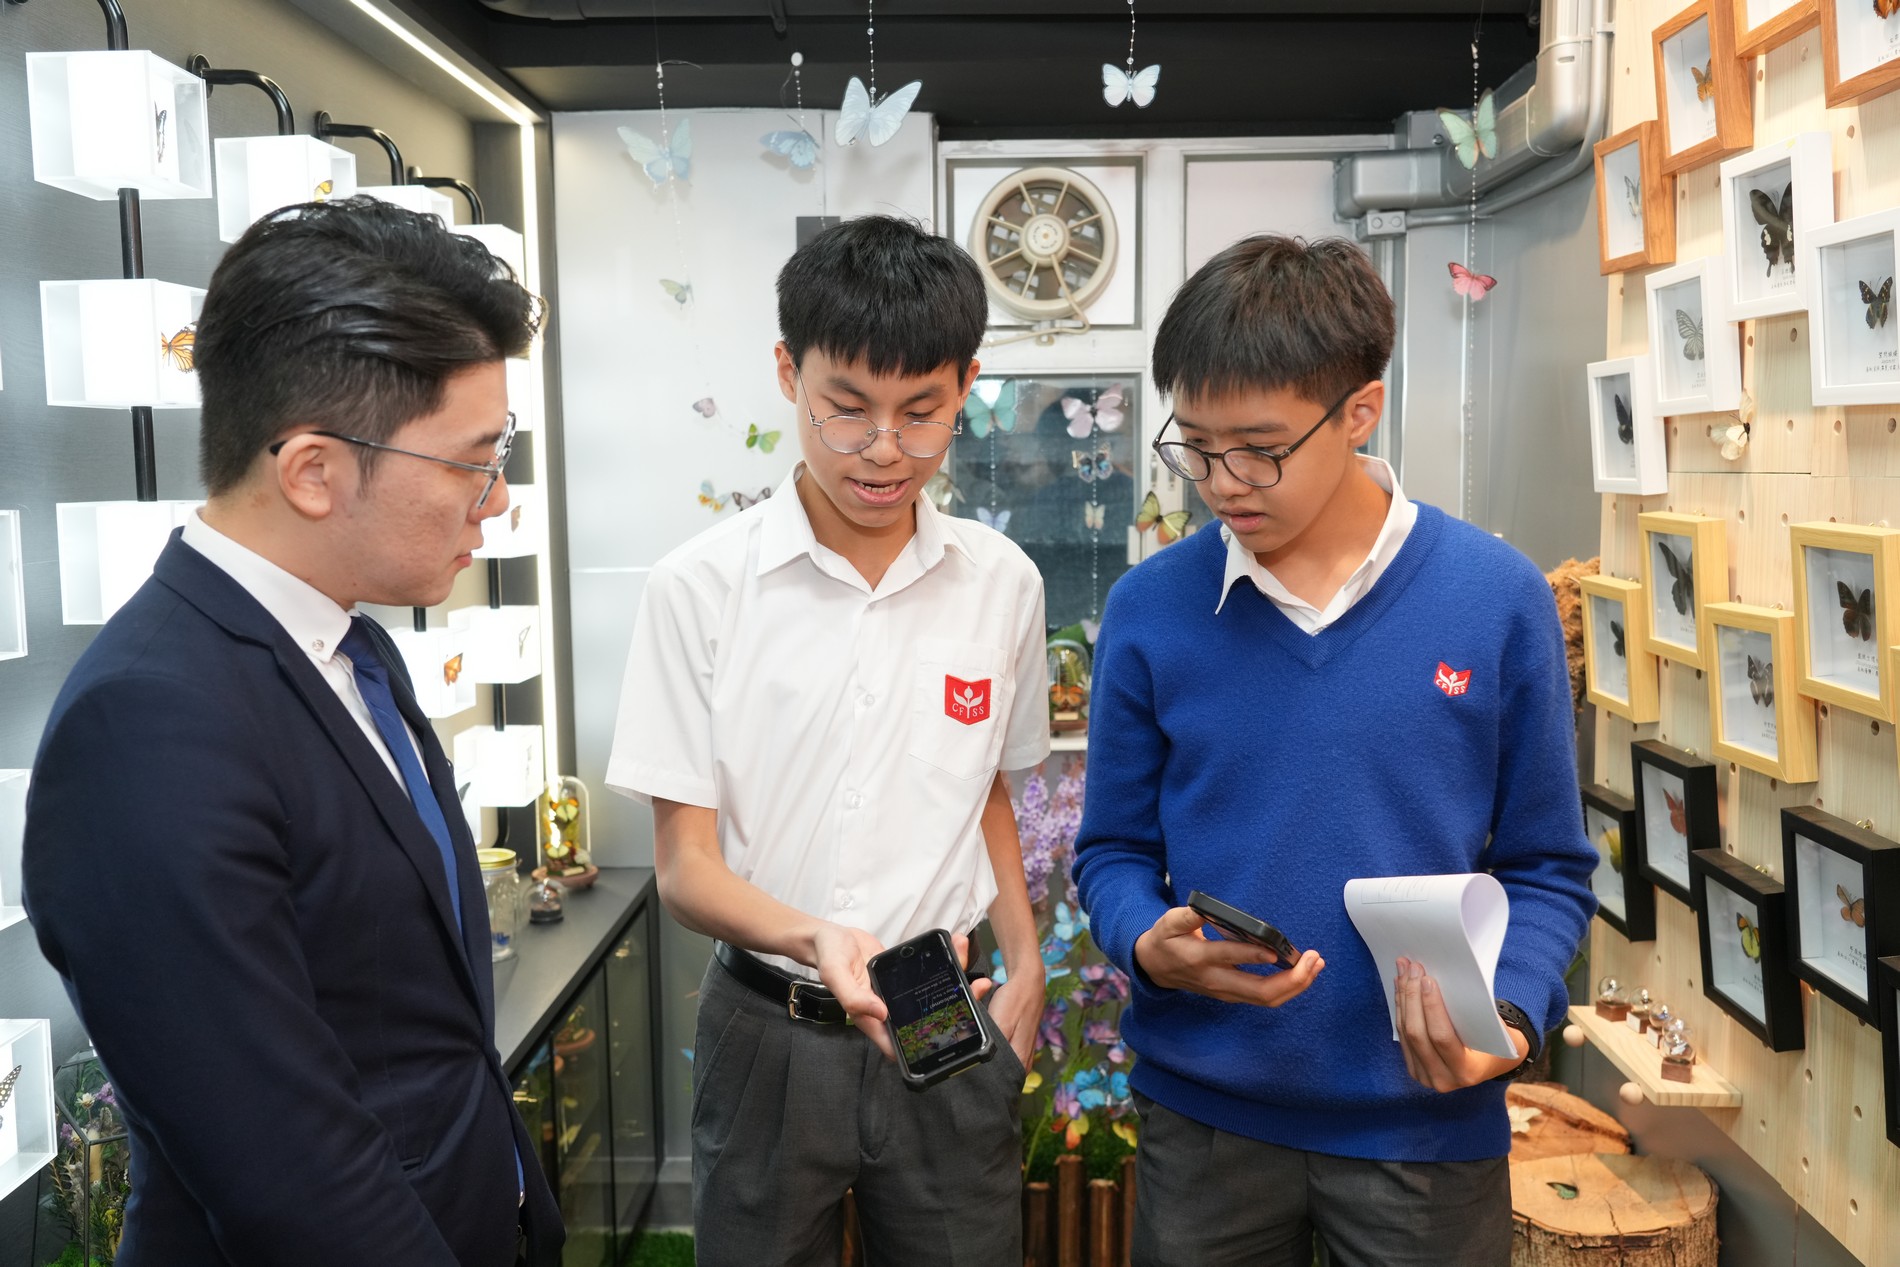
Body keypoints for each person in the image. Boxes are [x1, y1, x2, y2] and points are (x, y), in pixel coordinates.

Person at [23, 197, 562, 1267]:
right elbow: (290, 1176)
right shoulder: (147, 729)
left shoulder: (353, 646)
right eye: (474, 461)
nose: (497, 499)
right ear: (314, 470)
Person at [1071, 234, 1597, 1267]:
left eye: (1260, 448)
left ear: (1360, 411)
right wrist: (1144, 940)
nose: (1223, 482)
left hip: (1427, 1128)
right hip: (1204, 1126)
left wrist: (1508, 1015)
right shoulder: (1149, 608)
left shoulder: (1495, 597)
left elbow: (1546, 868)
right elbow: (1113, 852)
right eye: (1196, 447)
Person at [606, 215, 1049, 1266]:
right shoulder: (697, 588)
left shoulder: (1001, 583)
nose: (884, 449)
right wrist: (817, 939)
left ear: (966, 385)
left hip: (942, 1011)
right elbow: (685, 868)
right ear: (787, 373)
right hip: (769, 1026)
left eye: (921, 412)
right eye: (846, 408)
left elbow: (984, 789)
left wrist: (1027, 959)